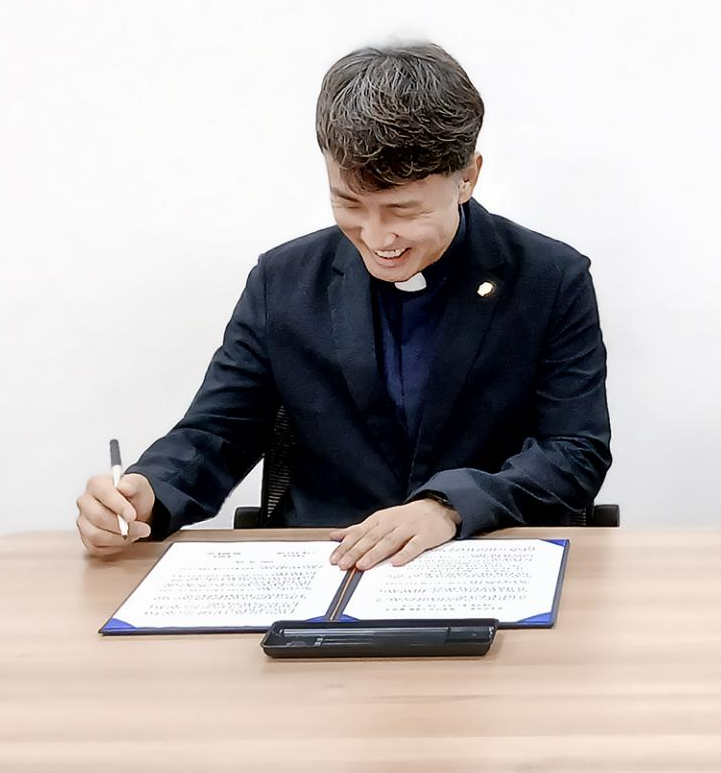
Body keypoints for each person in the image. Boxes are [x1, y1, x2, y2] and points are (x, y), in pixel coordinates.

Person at [75, 42, 611, 569]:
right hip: (321, 563)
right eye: (349, 203)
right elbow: (218, 431)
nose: (377, 238)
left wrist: (448, 507)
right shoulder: (283, 281)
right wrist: (149, 491)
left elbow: (574, 451)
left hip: (483, 557)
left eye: (403, 210)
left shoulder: (550, 278)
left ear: (467, 177)